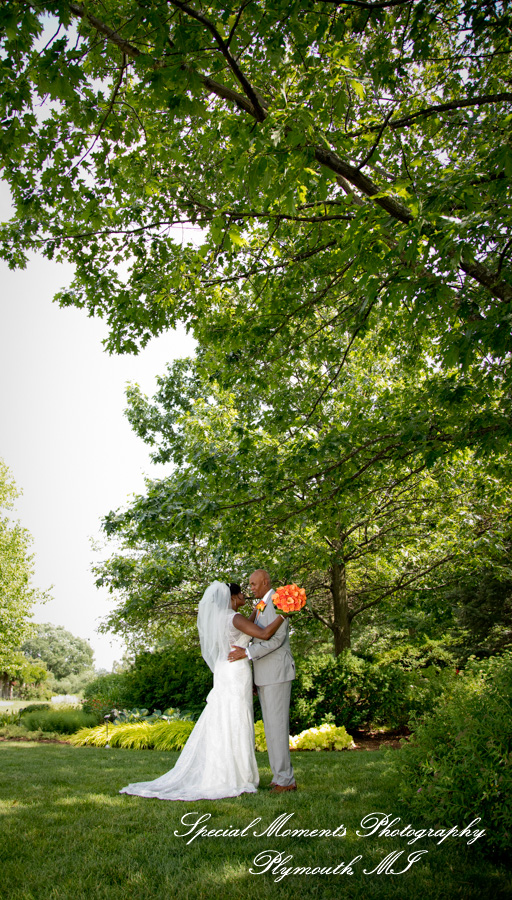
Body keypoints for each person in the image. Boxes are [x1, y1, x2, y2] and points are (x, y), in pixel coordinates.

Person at [119, 580, 285, 801]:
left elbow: (247, 626)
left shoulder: (223, 618)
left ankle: (225, 772)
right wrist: (283, 615)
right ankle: (235, 775)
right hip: (235, 671)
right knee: (235, 717)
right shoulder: (235, 618)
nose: (245, 595)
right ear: (233, 597)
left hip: (226, 669)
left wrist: (259, 609)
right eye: (241, 593)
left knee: (225, 717)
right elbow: (263, 634)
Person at [228, 569, 297, 793]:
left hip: (277, 673)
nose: (251, 588)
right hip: (265, 675)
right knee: (271, 728)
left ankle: (286, 781)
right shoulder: (262, 604)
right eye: (250, 584)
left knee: (277, 727)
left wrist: (246, 653)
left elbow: (276, 640)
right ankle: (279, 777)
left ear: (265, 582)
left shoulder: (278, 602)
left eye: (254, 584)